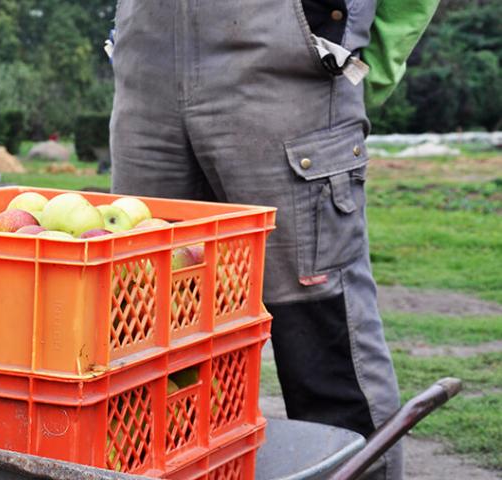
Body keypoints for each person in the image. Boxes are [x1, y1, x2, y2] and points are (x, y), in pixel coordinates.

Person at [110, 1, 437, 479]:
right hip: (147, 70)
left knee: (318, 330)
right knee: (146, 328)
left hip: (285, 62)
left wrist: (362, 60)